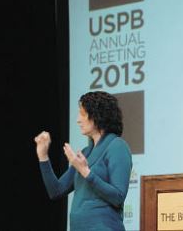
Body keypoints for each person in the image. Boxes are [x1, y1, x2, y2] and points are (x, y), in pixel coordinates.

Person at [34, 91, 132, 231]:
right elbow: (55, 191)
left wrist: (85, 172)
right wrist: (43, 156)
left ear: (98, 116)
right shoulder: (86, 152)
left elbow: (118, 197)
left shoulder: (117, 146)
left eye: (82, 114)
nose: (78, 120)